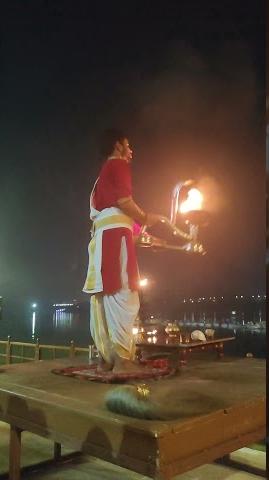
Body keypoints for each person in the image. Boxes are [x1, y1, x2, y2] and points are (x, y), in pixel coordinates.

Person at [83, 129, 163, 374]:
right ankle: (122, 360)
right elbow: (124, 203)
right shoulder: (118, 165)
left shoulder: (101, 176)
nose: (131, 151)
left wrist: (145, 236)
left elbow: (116, 215)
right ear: (118, 146)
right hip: (114, 238)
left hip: (104, 238)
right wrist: (148, 217)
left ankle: (106, 360)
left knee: (104, 295)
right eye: (128, 145)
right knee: (123, 292)